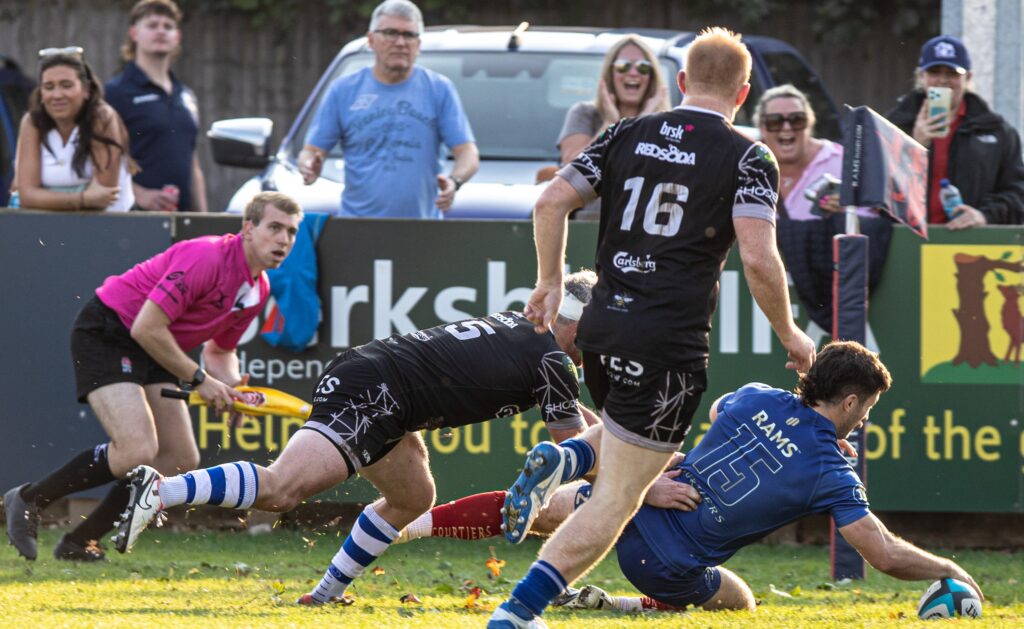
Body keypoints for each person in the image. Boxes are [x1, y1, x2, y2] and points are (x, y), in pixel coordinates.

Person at [489, 27, 817, 629]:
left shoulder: (624, 132)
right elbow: (758, 257)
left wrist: (549, 282)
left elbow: (551, 201)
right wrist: (790, 333)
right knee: (618, 496)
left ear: (683, 81)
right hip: (667, 343)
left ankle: (566, 463)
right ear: (743, 93)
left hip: (602, 330)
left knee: (618, 443)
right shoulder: (750, 156)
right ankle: (518, 611)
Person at [112, 271, 601, 605]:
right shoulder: (553, 362)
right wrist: (628, 480)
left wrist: (619, 441)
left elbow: (578, 420)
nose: (606, 346)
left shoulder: (528, 333)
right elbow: (577, 449)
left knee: (413, 497)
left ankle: (325, 595)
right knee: (282, 490)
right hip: (378, 391)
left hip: (381, 387)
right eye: (604, 331)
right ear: (582, 324)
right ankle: (162, 490)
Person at [424, 342, 985, 616]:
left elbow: (719, 412)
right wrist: (949, 569)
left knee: (549, 507)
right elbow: (881, 553)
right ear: (851, 401)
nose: (863, 421)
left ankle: (407, 526)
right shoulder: (832, 471)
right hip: (664, 567)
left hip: (638, 503)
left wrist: (771, 437)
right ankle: (619, 605)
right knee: (741, 601)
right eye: (867, 410)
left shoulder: (759, 396)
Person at [3, 191, 302, 562]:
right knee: (136, 448)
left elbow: (220, 352)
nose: (284, 239)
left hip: (156, 344)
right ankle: (29, 499)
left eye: (291, 231)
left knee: (179, 457)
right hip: (111, 330)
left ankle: (80, 541)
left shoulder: (259, 288)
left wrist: (231, 389)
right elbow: (146, 327)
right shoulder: (207, 256)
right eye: (275, 227)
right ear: (248, 228)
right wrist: (201, 380)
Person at [298, 0, 479, 219]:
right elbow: (312, 150)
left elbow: (467, 152)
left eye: (409, 35)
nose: (400, 42)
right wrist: (309, 165)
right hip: (357, 226)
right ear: (371, 40)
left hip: (422, 227)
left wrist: (454, 181)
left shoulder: (439, 89)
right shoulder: (343, 90)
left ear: (418, 44)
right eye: (390, 33)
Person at [755, 84, 892, 336]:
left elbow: (877, 218)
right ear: (762, 127)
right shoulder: (748, 165)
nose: (786, 128)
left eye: (796, 119)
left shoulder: (843, 160)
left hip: (841, 291)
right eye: (775, 121)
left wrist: (847, 211)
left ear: (809, 123)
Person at [886, 35, 1024, 229]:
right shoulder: (893, 126)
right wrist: (914, 145)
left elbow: (1017, 193)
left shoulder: (997, 130)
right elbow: (877, 188)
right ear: (921, 76)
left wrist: (984, 215)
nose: (943, 80)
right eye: (934, 72)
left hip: (970, 238)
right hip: (907, 237)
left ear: (968, 78)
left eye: (953, 73)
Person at [105, 0, 207, 212]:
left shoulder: (186, 95)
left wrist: (204, 220)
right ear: (134, 33)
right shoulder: (116, 92)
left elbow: (192, 163)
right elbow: (99, 158)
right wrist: (138, 194)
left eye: (168, 26)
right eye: (152, 25)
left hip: (183, 218)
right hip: (135, 217)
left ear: (177, 37)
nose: (161, 31)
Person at [555, 35, 670, 221]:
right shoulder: (584, 113)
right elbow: (571, 168)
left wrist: (644, 118)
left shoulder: (667, 124)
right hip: (590, 224)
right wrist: (609, 124)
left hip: (646, 224)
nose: (633, 73)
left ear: (651, 77)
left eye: (642, 67)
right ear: (610, 74)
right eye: (623, 66)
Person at [14, 48, 134, 212]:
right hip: (48, 225)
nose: (57, 95)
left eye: (66, 85)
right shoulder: (32, 122)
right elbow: (27, 196)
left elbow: (103, 197)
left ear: (86, 90)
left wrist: (44, 197)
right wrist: (83, 198)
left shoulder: (103, 117)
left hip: (109, 224)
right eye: (49, 87)